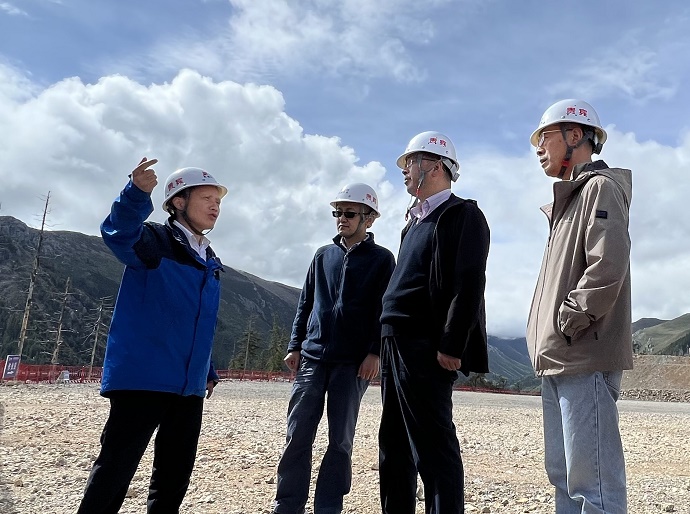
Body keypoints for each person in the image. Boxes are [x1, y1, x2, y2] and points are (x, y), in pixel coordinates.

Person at [77, 158, 227, 514]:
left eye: (218, 201)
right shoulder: (153, 241)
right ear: (178, 201)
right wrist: (135, 193)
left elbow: (197, 320)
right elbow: (119, 232)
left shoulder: (209, 258)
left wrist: (205, 369)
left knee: (174, 477)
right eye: (206, 198)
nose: (215, 206)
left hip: (189, 386)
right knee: (115, 470)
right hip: (143, 378)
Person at [527, 99, 633, 513]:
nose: (539, 148)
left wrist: (570, 320)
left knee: (594, 484)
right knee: (564, 476)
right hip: (559, 355)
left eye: (545, 137)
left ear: (575, 135)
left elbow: (607, 265)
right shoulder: (568, 200)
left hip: (583, 352)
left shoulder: (600, 188)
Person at [378, 131, 490, 514]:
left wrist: (451, 343)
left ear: (436, 165)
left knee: (433, 448)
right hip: (393, 340)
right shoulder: (412, 223)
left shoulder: (462, 215)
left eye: (410, 162)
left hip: (425, 345)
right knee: (393, 444)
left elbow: (469, 282)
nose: (404, 170)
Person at [273, 183, 395, 514]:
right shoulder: (322, 255)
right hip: (312, 358)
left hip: (353, 364)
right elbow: (306, 302)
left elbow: (385, 310)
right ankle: (287, 506)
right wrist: (295, 345)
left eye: (349, 213)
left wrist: (374, 352)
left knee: (340, 441)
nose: (342, 218)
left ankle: (328, 508)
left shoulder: (383, 260)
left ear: (369, 218)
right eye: (338, 212)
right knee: (297, 434)